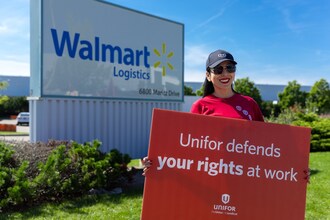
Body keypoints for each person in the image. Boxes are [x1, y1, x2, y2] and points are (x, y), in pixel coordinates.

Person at [190, 49, 264, 121]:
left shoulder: (250, 103)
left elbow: (262, 132)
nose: (225, 74)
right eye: (218, 69)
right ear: (208, 75)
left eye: (229, 68)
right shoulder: (200, 106)